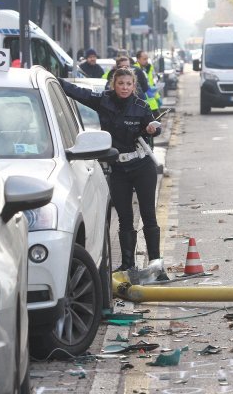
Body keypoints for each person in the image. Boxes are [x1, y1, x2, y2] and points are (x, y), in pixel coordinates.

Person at [58, 68, 162, 271]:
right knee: (124, 218)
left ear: (134, 86)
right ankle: (127, 265)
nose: (124, 87)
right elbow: (77, 92)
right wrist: (53, 78)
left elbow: (154, 127)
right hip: (119, 168)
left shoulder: (141, 106)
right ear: (114, 84)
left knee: (148, 215)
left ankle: (156, 265)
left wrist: (153, 129)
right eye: (120, 83)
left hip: (142, 166)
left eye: (128, 84)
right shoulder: (103, 100)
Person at [134, 51, 162, 118]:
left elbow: (151, 84)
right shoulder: (136, 70)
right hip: (143, 102)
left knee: (157, 122)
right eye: (144, 59)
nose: (146, 61)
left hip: (151, 101)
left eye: (147, 58)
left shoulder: (148, 68)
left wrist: (157, 97)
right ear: (138, 59)